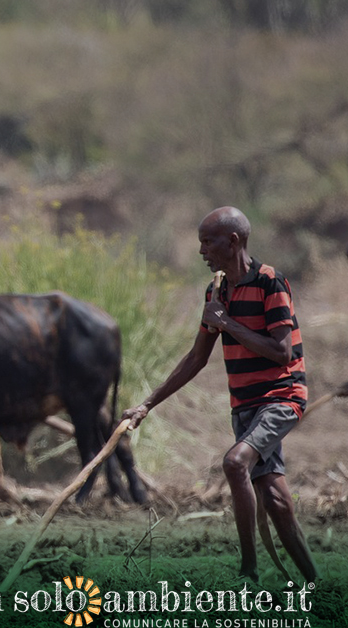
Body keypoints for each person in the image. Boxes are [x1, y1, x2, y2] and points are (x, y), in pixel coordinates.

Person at [123, 206, 318, 584]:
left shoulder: (270, 283)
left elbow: (282, 352)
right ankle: (315, 585)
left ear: (233, 241)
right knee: (276, 502)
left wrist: (226, 322)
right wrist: (147, 404)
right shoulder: (217, 290)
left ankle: (249, 572)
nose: (201, 251)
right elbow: (197, 358)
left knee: (234, 463)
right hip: (244, 404)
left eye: (207, 242)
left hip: (282, 396)